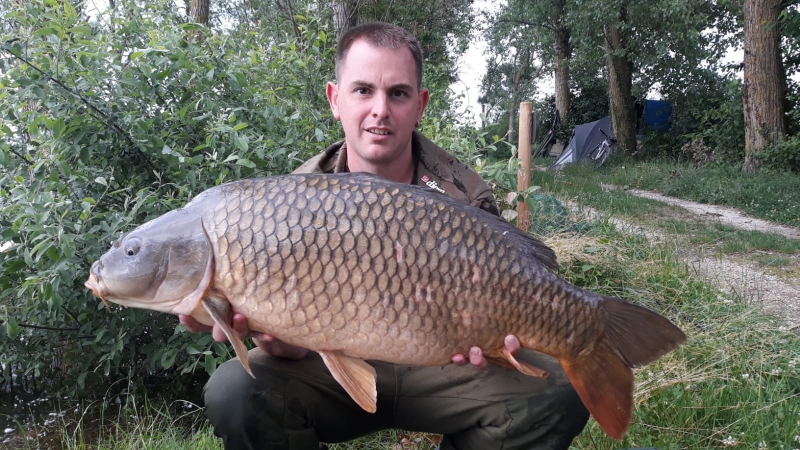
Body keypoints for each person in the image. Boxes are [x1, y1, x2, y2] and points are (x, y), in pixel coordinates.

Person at [180, 22, 589, 450]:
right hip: (330, 367)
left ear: (420, 104)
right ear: (334, 99)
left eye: (397, 93)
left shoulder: (462, 192)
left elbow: (509, 285)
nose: (380, 109)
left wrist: (494, 336)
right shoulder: (289, 204)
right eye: (362, 91)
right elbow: (290, 348)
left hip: (439, 359)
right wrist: (282, 341)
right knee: (235, 391)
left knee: (560, 389)